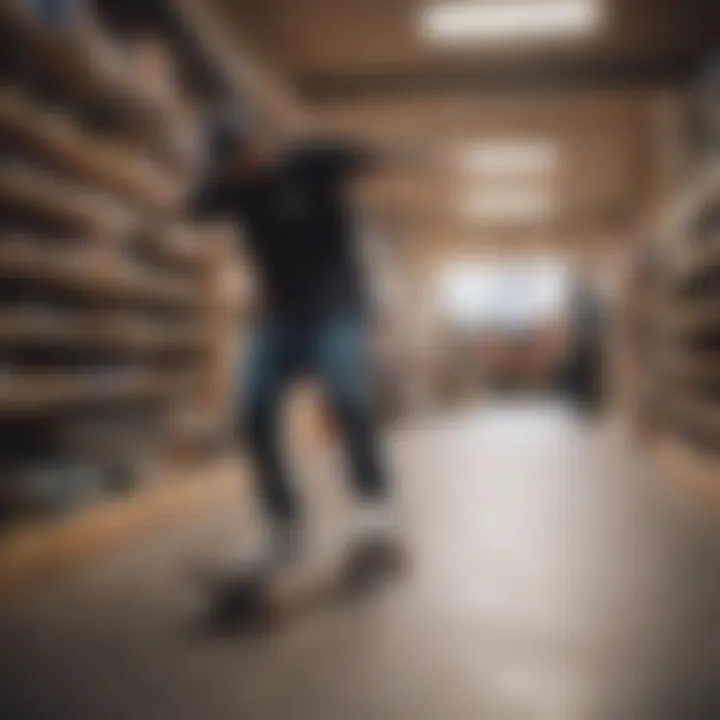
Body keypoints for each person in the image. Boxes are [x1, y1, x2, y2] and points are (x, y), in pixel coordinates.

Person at [188, 107, 417, 576]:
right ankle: (283, 523)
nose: (244, 168)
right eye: (232, 164)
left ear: (259, 141)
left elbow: (363, 153)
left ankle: (375, 510)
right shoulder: (234, 189)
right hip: (278, 317)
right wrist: (222, 179)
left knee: (346, 397)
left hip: (336, 307)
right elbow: (194, 207)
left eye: (247, 155)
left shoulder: (309, 162)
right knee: (251, 412)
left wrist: (401, 152)